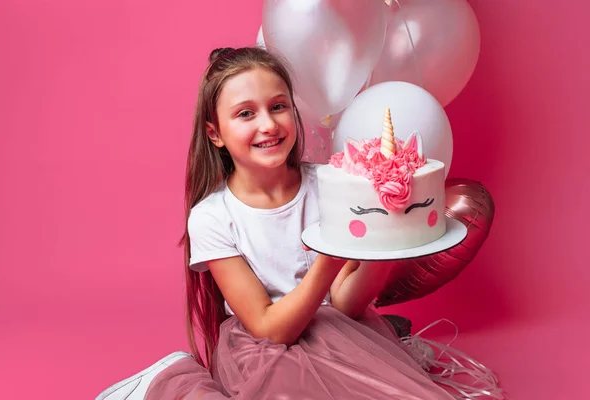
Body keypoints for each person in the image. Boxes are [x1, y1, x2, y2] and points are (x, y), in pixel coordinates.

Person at [144, 46, 454, 399]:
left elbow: (346, 303)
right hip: (264, 348)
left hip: (337, 332)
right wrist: (329, 256)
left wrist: (389, 237)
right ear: (215, 134)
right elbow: (267, 328)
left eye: (278, 106)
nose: (268, 124)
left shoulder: (332, 185)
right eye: (246, 113)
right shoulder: (213, 218)